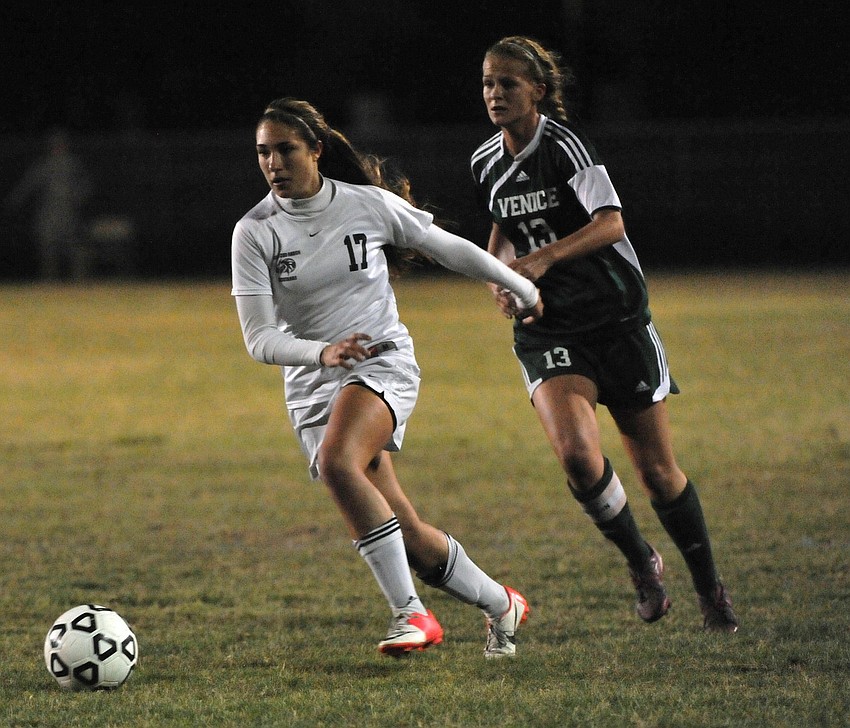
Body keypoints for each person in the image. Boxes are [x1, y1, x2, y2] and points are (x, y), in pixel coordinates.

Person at [231, 97, 544, 657]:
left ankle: (413, 616)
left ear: (317, 151)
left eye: (285, 149)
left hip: (381, 361)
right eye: (263, 153)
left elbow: (447, 247)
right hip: (313, 380)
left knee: (337, 463)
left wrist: (521, 286)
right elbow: (259, 339)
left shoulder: (365, 205)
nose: (273, 163)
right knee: (406, 528)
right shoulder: (254, 233)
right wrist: (322, 352)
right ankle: (502, 603)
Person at [470, 36, 739, 633]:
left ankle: (709, 588)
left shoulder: (567, 146)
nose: (495, 94)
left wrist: (544, 261)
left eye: (508, 83)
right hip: (551, 329)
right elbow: (505, 221)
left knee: (658, 473)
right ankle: (642, 563)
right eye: (488, 83)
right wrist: (497, 273)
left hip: (616, 319)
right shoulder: (484, 160)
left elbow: (610, 222)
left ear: (537, 90)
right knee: (577, 457)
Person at [1, 127, 92, 280]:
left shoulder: (73, 164)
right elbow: (28, 184)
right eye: (55, 144)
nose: (57, 147)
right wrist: (14, 200)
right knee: (47, 247)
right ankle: (50, 280)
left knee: (74, 246)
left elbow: (86, 184)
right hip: (49, 212)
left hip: (68, 212)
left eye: (60, 144)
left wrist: (78, 197)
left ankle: (79, 280)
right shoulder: (44, 165)